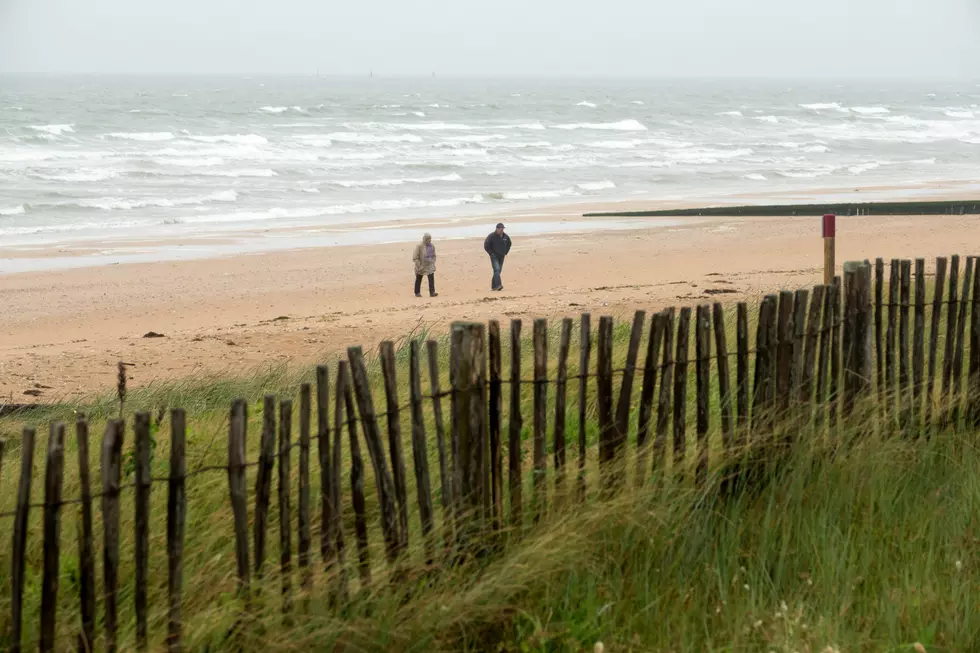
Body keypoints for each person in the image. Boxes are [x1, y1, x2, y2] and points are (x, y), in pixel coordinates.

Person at [483, 222, 512, 291]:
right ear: (497, 229)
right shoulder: (491, 236)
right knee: (496, 270)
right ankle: (499, 285)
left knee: (498, 271)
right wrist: (491, 253)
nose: (501, 230)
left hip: (502, 256)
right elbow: (486, 245)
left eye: (502, 228)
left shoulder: (505, 236)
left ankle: (494, 287)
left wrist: (506, 252)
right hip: (494, 256)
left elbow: (509, 244)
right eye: (500, 229)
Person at [413, 233, 438, 297]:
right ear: (424, 239)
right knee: (419, 278)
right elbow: (415, 257)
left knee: (431, 278)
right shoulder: (419, 246)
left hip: (429, 265)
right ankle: (417, 292)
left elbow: (434, 255)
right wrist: (419, 265)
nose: (429, 240)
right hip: (421, 265)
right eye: (428, 239)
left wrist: (433, 261)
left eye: (430, 239)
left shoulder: (432, 246)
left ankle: (432, 292)